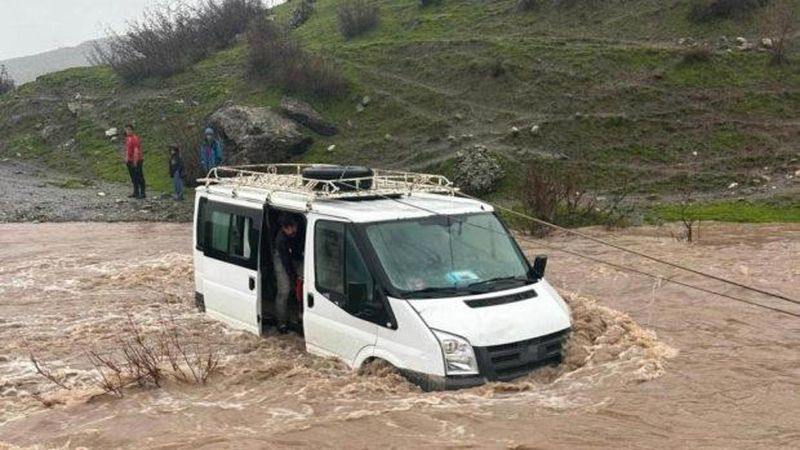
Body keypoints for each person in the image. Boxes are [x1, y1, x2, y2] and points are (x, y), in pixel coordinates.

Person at [274, 214, 302, 334]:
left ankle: (300, 317)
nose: (289, 231)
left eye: (291, 228)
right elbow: (286, 262)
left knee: (303, 286)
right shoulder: (280, 240)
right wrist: (294, 277)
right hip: (282, 257)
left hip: (298, 255)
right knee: (284, 290)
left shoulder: (302, 228)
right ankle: (281, 323)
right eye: (286, 229)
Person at [124, 124, 146, 199]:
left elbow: (136, 151)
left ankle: (142, 193)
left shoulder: (135, 138)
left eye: (129, 130)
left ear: (132, 130)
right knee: (133, 177)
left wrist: (135, 161)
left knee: (139, 176)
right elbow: (127, 149)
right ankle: (136, 191)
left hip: (137, 160)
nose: (127, 131)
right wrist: (126, 158)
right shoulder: (127, 138)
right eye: (126, 130)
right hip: (130, 160)